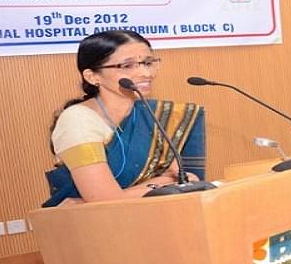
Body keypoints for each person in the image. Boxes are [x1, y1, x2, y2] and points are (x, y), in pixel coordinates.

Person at [44, 30, 206, 208]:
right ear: (92, 76)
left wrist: (168, 183)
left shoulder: (154, 114)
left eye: (148, 63)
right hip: (94, 222)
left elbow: (188, 180)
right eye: (127, 66)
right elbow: (106, 202)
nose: (145, 73)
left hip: (156, 216)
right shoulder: (77, 120)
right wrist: (163, 183)